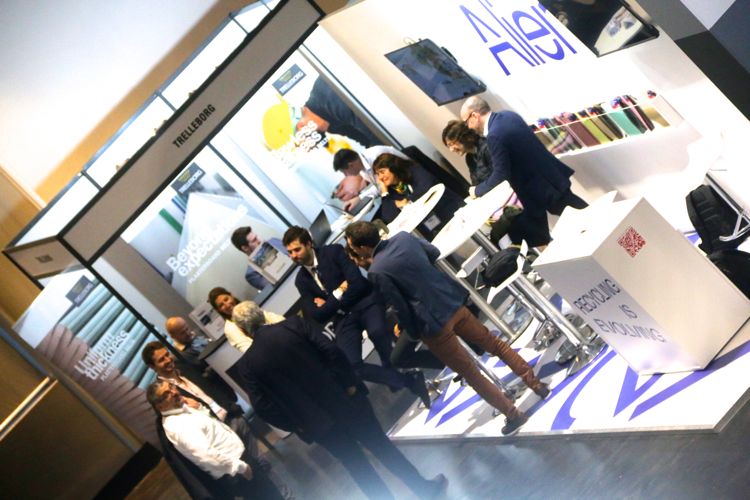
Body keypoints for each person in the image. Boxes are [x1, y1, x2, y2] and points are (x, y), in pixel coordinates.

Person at [345, 221, 550, 436]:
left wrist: (413, 333)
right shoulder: (403, 237)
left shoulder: (376, 271)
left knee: (471, 373)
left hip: (432, 323)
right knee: (496, 345)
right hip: (450, 300)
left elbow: (400, 307)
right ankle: (537, 385)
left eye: (352, 246)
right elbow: (433, 252)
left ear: (362, 247)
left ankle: (514, 415)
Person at [231, 301, 447, 500]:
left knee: (357, 468)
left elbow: (262, 407)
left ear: (242, 330)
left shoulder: (247, 366)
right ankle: (423, 488)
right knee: (382, 447)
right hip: (347, 401)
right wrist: (349, 384)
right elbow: (331, 351)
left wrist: (296, 424)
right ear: (261, 315)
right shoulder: (294, 325)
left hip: (316, 425)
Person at [282, 226, 431, 407]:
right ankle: (409, 380)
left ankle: (416, 366)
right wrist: (339, 292)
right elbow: (318, 315)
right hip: (343, 319)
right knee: (351, 366)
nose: (293, 256)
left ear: (309, 244)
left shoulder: (333, 252)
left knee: (378, 332)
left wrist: (329, 303)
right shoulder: (301, 280)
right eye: (290, 252)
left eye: (297, 250)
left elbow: (358, 284)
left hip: (366, 303)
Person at [460, 96, 588, 248]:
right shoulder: (508, 115)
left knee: (583, 216)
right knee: (579, 212)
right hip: (549, 176)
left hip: (539, 187)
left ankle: (610, 239)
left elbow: (501, 174)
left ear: (475, 115)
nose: (468, 127)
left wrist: (477, 190)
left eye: (466, 122)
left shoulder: (494, 135)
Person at [146, 380, 283, 499]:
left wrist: (198, 407)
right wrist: (239, 467)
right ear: (160, 406)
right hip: (236, 469)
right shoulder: (177, 425)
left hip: (239, 461)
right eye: (166, 394)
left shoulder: (182, 409)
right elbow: (205, 455)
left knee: (271, 492)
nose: (174, 392)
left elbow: (209, 424)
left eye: (171, 387)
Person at [372, 153, 465, 240]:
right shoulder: (392, 190)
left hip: (450, 211)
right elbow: (388, 216)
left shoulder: (413, 169)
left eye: (382, 172)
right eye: (378, 174)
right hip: (432, 228)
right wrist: (384, 193)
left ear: (393, 167)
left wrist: (406, 202)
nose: (380, 177)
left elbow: (426, 186)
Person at [299, 76, 381, 148]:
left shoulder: (328, 100)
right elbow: (363, 139)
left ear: (301, 125)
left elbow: (375, 130)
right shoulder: (328, 125)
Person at [208, 286, 284, 352]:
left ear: (231, 295)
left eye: (226, 299)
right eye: (221, 305)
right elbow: (250, 350)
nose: (227, 305)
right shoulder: (230, 328)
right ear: (219, 310)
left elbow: (275, 319)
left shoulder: (248, 306)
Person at [332, 146, 408, 212]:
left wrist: (360, 197)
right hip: (398, 188)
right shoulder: (363, 171)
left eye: (344, 172)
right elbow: (380, 186)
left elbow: (386, 183)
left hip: (407, 182)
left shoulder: (375, 157)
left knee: (385, 217)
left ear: (351, 165)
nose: (345, 175)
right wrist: (359, 198)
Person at [441, 119, 493, 186]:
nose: (451, 149)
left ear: (464, 137)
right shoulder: (469, 158)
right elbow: (475, 182)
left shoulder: (487, 147)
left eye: (452, 144)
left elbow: (498, 175)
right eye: (449, 146)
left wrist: (478, 190)